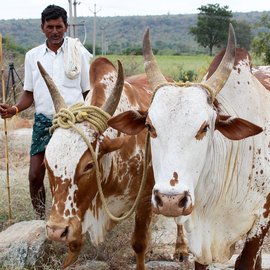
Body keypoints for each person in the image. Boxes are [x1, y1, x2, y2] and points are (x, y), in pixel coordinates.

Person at [0, 5, 92, 219]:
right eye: (50, 27)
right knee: (34, 175)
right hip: (44, 122)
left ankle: (74, 218)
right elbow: (29, 94)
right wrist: (14, 109)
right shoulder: (33, 56)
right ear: (42, 28)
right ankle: (42, 221)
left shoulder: (78, 53)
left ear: (66, 27)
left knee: (73, 174)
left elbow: (88, 91)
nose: (55, 31)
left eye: (59, 26)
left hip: (73, 123)